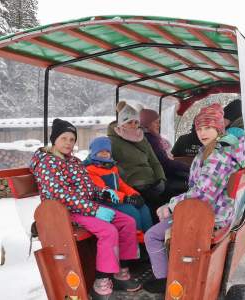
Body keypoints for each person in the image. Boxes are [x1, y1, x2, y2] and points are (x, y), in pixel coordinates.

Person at [29, 118, 141, 299]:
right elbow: (60, 195)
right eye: (64, 138)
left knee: (128, 222)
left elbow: (88, 187)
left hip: (85, 208)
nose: (68, 143)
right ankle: (101, 280)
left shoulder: (73, 161)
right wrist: (94, 210)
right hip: (65, 212)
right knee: (108, 230)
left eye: (72, 139)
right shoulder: (47, 162)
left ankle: (121, 270)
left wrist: (103, 193)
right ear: (54, 139)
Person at [143, 103, 245, 293]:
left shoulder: (219, 155)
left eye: (208, 128)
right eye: (199, 128)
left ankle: (165, 280)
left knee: (152, 235)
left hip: (210, 215)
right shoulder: (219, 149)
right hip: (216, 209)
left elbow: (203, 194)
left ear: (218, 127)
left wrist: (171, 205)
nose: (202, 133)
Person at [108, 101, 167, 222]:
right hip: (133, 186)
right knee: (154, 210)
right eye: (129, 122)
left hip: (152, 183)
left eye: (136, 122)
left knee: (170, 200)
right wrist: (132, 185)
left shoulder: (142, 138)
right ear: (121, 123)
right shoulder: (112, 141)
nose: (134, 125)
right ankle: (151, 237)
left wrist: (161, 179)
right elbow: (111, 167)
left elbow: (154, 161)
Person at [84, 136, 153, 232]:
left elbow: (121, 184)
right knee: (131, 211)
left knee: (143, 208)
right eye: (101, 151)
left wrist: (134, 194)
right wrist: (126, 199)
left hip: (117, 199)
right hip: (104, 201)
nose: (105, 153)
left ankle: (149, 235)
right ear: (94, 152)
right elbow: (104, 191)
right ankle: (138, 238)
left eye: (107, 151)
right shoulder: (90, 169)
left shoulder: (112, 167)